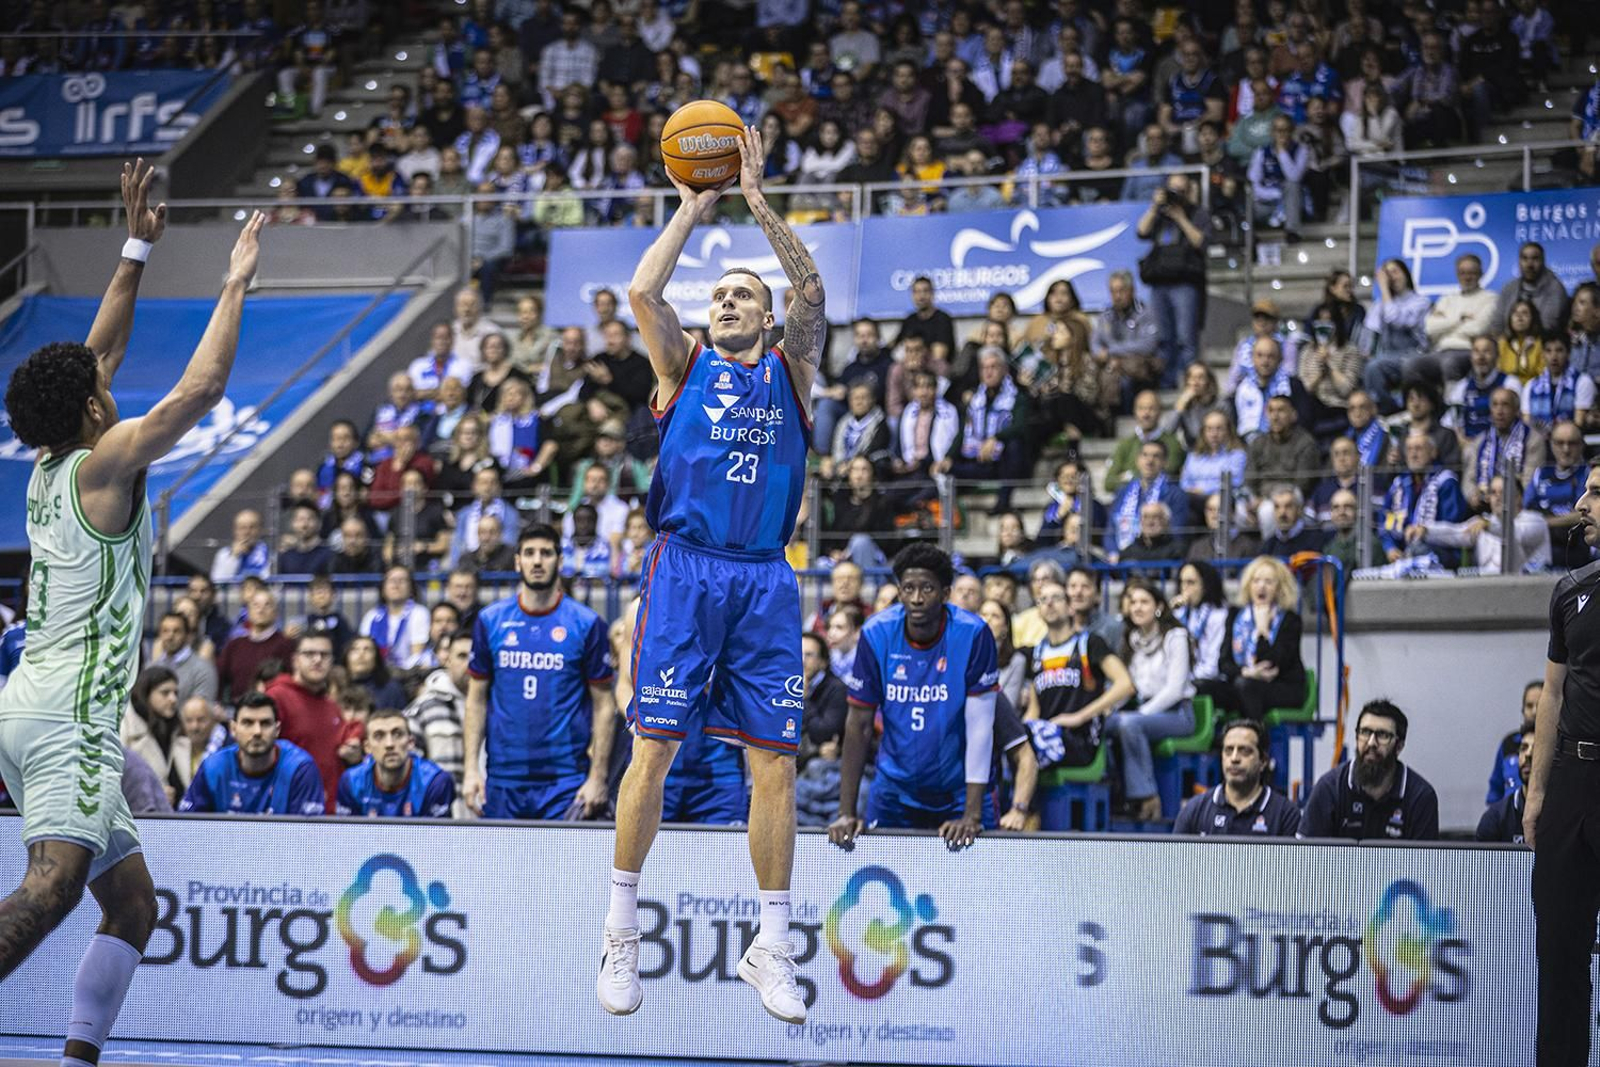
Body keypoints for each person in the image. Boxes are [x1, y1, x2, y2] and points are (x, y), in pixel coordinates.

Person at [600, 127, 824, 1026]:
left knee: (776, 759)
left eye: (743, 295)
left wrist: (758, 199)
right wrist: (694, 206)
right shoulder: (680, 366)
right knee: (652, 745)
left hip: (765, 580)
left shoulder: (792, 371)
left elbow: (808, 288)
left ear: (765, 319)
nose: (727, 300)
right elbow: (644, 289)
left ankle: (771, 943)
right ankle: (621, 928)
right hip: (686, 571)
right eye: (720, 294)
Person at [830, 542, 998, 841]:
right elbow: (858, 725)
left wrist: (971, 815)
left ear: (946, 594)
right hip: (895, 789)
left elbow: (981, 728)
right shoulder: (876, 633)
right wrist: (846, 811)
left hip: (959, 791)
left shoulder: (973, 634)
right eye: (908, 589)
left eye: (927, 589)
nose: (917, 599)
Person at [463, 524, 616, 821]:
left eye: (546, 553)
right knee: (500, 867)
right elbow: (476, 699)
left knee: (561, 867)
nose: (537, 561)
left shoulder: (586, 624)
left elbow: (604, 705)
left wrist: (598, 777)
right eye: (529, 553)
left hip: (566, 780)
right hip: (504, 776)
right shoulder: (490, 620)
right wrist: (471, 770)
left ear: (560, 561)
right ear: (517, 560)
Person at [1526, 459, 1600, 1064]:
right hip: (1572, 784)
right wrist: (1536, 792)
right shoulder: (1570, 589)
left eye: (1597, 494)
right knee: (1560, 955)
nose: (1582, 504)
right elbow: (1551, 694)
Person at [1019, 578, 1136, 770]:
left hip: (1081, 739)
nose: (1049, 603)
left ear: (1070, 607)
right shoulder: (1036, 653)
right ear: (1038, 611)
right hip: (1045, 735)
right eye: (1043, 599)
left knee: (1027, 752)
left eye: (1056, 598)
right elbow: (1034, 710)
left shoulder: (1089, 644)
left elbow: (1125, 685)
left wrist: (1079, 717)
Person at [1106, 579, 1195, 821]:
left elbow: (1175, 689)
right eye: (1133, 602)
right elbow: (1129, 687)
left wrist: (1142, 714)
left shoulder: (1176, 636)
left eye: (1144, 601)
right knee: (1101, 726)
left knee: (1129, 724)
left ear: (1158, 606)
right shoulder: (1131, 639)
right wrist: (1107, 709)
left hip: (1178, 714)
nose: (1137, 607)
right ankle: (1116, 795)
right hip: (1142, 711)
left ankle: (1147, 798)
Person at [1300, 699, 1439, 840]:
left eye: (1383, 735)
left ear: (1399, 746)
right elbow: (1303, 856)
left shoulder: (1421, 797)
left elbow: (1424, 861)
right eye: (1365, 732)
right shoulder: (1329, 788)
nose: (1371, 742)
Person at [177, 693, 326, 816]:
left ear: (277, 730)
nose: (257, 732)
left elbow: (307, 840)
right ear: (233, 729)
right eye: (248, 723)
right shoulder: (213, 767)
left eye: (265, 723)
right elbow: (187, 829)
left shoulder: (300, 769)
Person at [1213, 556, 1307, 720]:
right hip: (1244, 679)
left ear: (1279, 588)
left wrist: (1262, 630)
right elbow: (1224, 663)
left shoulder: (1290, 620)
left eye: (1269, 582)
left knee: (1245, 687)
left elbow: (1272, 663)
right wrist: (1247, 672)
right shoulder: (1235, 615)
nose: (1261, 587)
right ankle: (1218, 742)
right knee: (1203, 688)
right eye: (1256, 581)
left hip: (1283, 686)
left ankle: (1255, 737)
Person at [262, 632, 344, 814]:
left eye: (324, 655)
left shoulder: (332, 706)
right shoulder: (277, 696)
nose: (317, 660)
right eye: (309, 654)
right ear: (295, 660)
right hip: (289, 811)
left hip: (330, 812)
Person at [1172, 720, 1302, 835]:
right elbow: (1175, 860)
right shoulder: (1195, 809)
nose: (1234, 759)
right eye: (1228, 750)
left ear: (1263, 761)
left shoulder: (1286, 814)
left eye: (1244, 751)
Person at [337, 708, 455, 818]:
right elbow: (348, 838)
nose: (389, 744)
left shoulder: (434, 781)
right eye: (379, 736)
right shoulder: (351, 781)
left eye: (397, 734)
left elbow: (433, 838)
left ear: (410, 742)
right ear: (367, 747)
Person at [147, 611, 218, 706]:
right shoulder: (151, 668)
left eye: (176, 631)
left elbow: (200, 711)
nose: (170, 636)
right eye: (165, 631)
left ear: (188, 636)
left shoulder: (203, 670)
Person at [1477, 722, 1533, 844]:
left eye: (1537, 748)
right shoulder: (1495, 818)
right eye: (1523, 748)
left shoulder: (1564, 815)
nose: (1528, 754)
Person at [1172, 561, 1228, 680]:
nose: (1184, 588)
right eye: (1181, 582)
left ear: (1206, 586)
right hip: (1184, 676)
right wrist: (1168, 612)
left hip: (1211, 679)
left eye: (1190, 583)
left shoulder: (1219, 615)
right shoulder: (1179, 613)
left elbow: (1212, 666)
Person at [210, 508, 271, 581]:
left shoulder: (269, 552)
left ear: (260, 530)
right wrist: (233, 557)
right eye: (242, 528)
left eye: (252, 527)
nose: (247, 532)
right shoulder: (224, 554)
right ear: (235, 531)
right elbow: (218, 581)